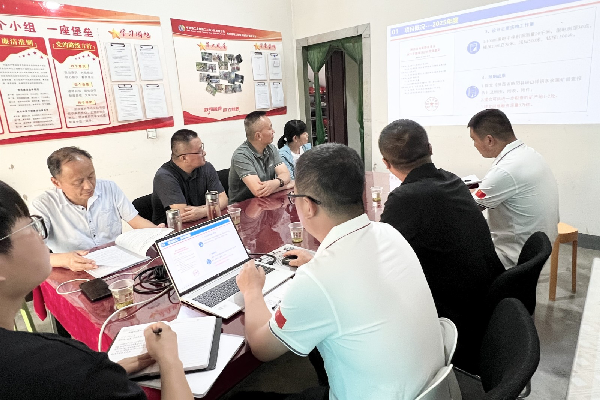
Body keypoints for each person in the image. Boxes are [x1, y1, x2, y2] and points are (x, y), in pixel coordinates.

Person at [235, 144, 444, 400]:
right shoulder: (389, 233)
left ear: (308, 206)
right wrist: (316, 260)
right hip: (429, 389)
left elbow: (261, 348)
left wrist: (252, 290)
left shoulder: (318, 279)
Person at [0, 180, 193, 400]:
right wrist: (169, 359)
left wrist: (111, 367)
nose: (40, 236)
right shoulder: (61, 365)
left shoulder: (58, 366)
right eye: (31, 227)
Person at [378, 119, 505, 373]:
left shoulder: (406, 198)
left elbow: (379, 257)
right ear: (430, 148)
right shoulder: (452, 180)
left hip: (457, 323)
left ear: (386, 163)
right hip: (486, 306)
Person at [31, 147, 160, 272]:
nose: (88, 186)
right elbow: (32, 254)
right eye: (78, 182)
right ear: (56, 183)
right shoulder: (43, 205)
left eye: (91, 176)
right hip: (75, 270)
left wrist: (161, 234)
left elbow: (136, 221)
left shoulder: (109, 188)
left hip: (117, 262)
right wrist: (65, 260)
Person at [468, 109, 559, 268]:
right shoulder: (529, 155)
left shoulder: (505, 170)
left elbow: (468, 209)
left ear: (489, 140)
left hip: (512, 257)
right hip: (537, 250)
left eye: (474, 140)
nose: (474, 145)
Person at [151, 129, 227, 225]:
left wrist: (203, 211)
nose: (204, 153)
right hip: (172, 229)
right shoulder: (164, 177)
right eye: (199, 151)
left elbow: (223, 199)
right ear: (184, 158)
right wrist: (211, 207)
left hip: (200, 222)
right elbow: (184, 215)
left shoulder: (206, 167)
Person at [228, 111, 293, 204]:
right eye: (270, 128)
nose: (273, 131)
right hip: (243, 207)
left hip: (265, 202)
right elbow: (259, 191)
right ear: (258, 136)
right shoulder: (241, 155)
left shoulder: (271, 148)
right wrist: (286, 185)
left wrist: (276, 183)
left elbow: (285, 174)